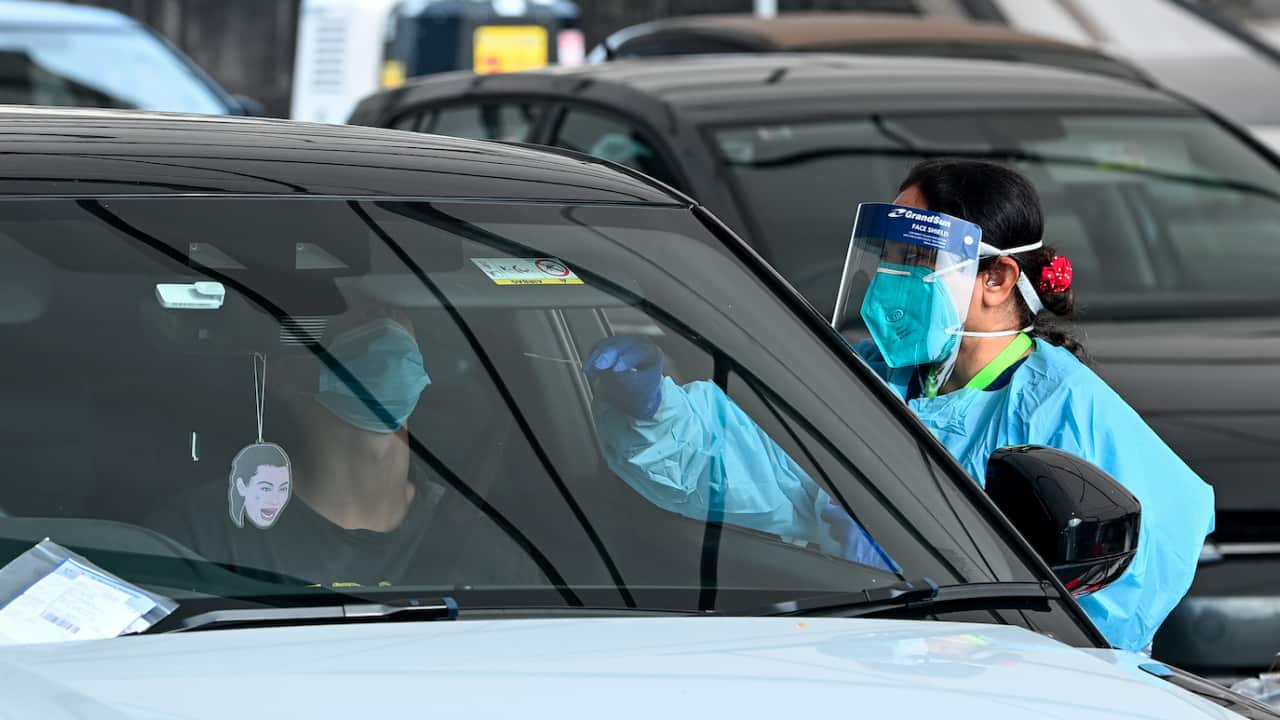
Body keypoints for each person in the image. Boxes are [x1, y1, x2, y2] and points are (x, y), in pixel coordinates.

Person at [588, 159, 1215, 653]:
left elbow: (1130, 576)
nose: (891, 276)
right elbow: (755, 464)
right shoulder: (868, 382)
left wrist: (982, 644)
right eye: (888, 255)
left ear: (995, 280)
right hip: (861, 653)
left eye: (917, 258)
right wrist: (655, 412)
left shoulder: (1065, 408)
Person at [156, 303, 541, 589]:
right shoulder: (205, 535)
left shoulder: (485, 544)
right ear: (283, 374)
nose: (383, 327)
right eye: (343, 314)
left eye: (392, 312)